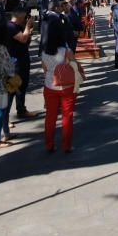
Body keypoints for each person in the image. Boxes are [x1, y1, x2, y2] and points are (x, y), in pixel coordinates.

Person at [40, 17, 80, 153]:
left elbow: (44, 69)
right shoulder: (65, 51)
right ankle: (66, 145)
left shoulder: (44, 52)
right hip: (66, 86)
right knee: (67, 115)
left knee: (50, 116)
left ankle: (49, 144)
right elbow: (74, 65)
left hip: (50, 85)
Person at [6, 8, 36, 121]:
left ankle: (21, 110)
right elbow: (23, 39)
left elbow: (26, 40)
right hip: (14, 63)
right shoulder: (10, 27)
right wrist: (28, 27)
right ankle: (5, 118)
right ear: (19, 15)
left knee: (22, 87)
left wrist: (29, 31)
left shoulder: (18, 26)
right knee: (12, 89)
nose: (26, 18)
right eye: (25, 15)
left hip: (22, 60)